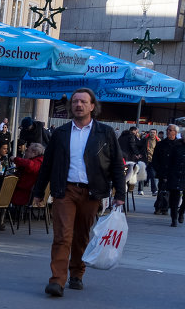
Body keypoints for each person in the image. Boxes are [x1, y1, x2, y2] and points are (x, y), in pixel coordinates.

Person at [33, 88, 124, 297]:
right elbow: (47, 164)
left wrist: (119, 194)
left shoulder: (106, 133)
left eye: (83, 101)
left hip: (92, 192)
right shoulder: (61, 133)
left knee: (81, 236)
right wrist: (39, 192)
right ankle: (57, 280)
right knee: (62, 236)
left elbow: (116, 166)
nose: (78, 105)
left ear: (92, 106)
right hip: (65, 190)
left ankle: (77, 273)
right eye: (75, 101)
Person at [12, 142, 45, 207]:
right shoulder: (41, 161)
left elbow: (30, 165)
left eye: (27, 151)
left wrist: (15, 159)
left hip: (23, 194)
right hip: (26, 192)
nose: (25, 153)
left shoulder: (38, 162)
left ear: (34, 153)